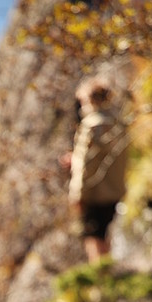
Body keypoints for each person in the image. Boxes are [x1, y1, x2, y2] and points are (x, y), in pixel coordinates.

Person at [64, 77, 128, 263]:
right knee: (105, 234)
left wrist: (77, 195)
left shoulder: (92, 125)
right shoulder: (118, 122)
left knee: (93, 237)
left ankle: (100, 276)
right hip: (115, 190)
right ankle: (107, 271)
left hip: (94, 194)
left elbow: (86, 164)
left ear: (91, 99)